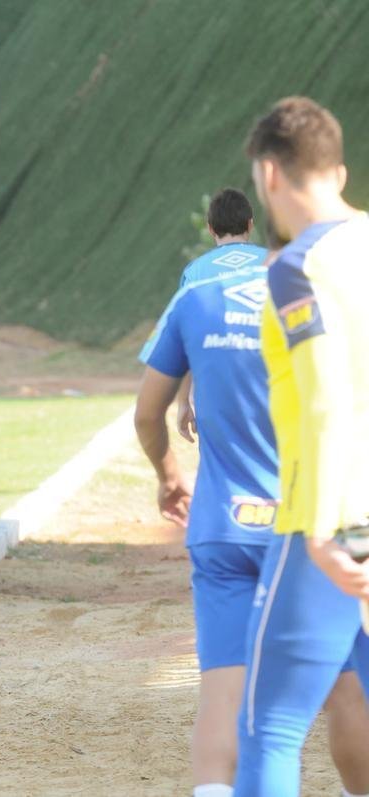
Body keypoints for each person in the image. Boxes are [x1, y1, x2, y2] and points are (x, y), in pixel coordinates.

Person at [135, 252, 369, 797]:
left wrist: (169, 476)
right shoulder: (333, 295)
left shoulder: (198, 295)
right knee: (347, 691)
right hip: (317, 523)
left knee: (226, 693)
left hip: (227, 522)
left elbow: (148, 413)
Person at [233, 96, 369, 796]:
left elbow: (321, 392)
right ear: (337, 169)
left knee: (270, 725)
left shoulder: (296, 268)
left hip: (334, 520)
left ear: (269, 174)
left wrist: (318, 526)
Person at [175, 189, 269, 441]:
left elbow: (184, 340)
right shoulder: (275, 262)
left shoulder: (194, 273)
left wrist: (183, 401)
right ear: (250, 224)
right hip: (271, 391)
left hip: (214, 396)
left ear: (210, 229)